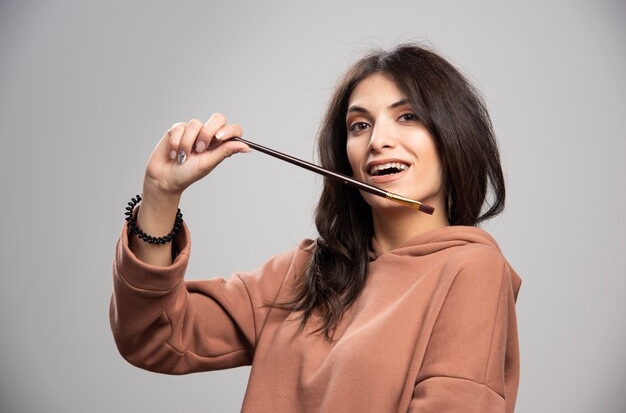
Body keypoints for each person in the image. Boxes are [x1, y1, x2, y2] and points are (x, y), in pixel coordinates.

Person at [110, 43, 522, 412]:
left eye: (407, 116)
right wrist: (161, 194)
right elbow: (152, 336)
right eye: (359, 125)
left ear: (452, 136)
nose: (378, 140)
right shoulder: (304, 272)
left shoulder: (472, 269)